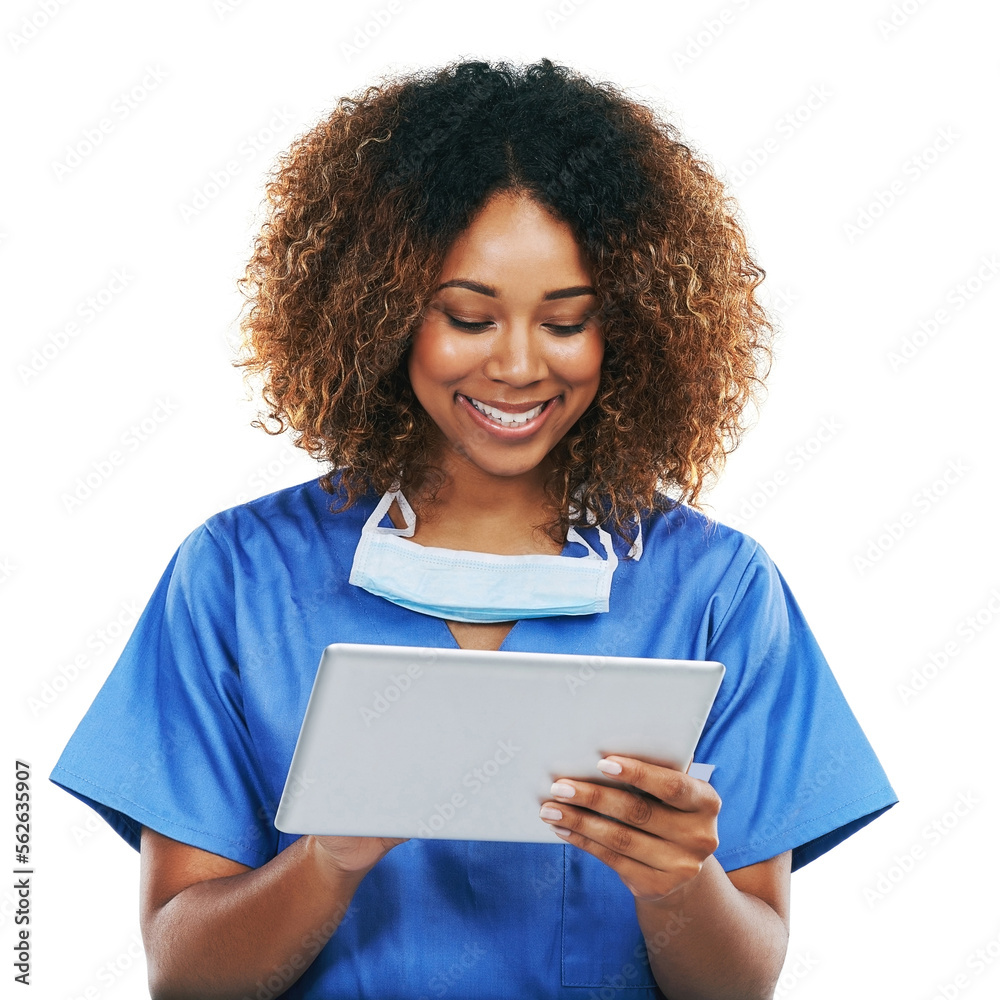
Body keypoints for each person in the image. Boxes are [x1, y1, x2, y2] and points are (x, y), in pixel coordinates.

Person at [51, 59, 897, 999]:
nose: (520, 367)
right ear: (379, 312)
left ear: (631, 329)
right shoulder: (238, 577)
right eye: (468, 316)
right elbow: (184, 976)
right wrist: (328, 857)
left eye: (568, 322)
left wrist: (677, 886)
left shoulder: (717, 590)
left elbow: (742, 984)